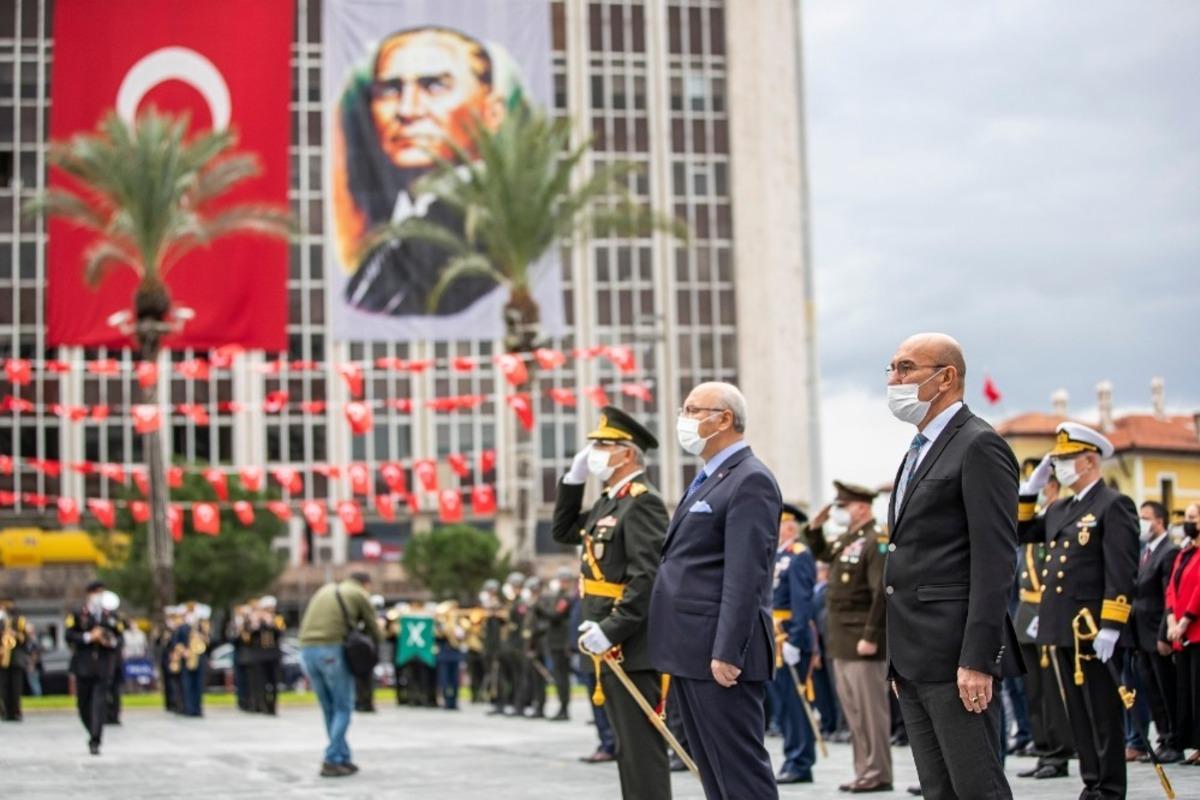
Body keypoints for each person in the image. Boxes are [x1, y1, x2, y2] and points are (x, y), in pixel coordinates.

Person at [883, 333, 1022, 800]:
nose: (894, 380)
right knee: (939, 790)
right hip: (914, 658)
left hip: (955, 657)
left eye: (906, 368)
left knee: (976, 787)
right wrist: (896, 664)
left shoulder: (979, 445)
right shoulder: (918, 449)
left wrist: (978, 659)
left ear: (946, 377)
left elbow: (995, 559)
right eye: (892, 369)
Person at [648, 381, 782, 800]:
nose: (683, 420)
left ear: (724, 419)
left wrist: (728, 650)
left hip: (719, 652)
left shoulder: (749, 480)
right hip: (691, 648)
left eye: (693, 410)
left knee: (741, 775)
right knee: (714, 772)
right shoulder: (709, 477)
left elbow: (746, 576)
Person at [334, 26, 523, 317]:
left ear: (492, 112)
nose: (408, 110)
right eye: (391, 90)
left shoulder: (486, 226)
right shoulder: (396, 219)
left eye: (434, 87)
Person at [552, 405, 671, 799]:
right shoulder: (609, 501)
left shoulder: (642, 502)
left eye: (604, 445)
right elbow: (564, 530)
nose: (595, 452)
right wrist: (573, 479)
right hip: (607, 639)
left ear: (628, 453)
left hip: (630, 643)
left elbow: (647, 577)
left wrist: (612, 628)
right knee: (625, 744)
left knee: (640, 746)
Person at [1018, 422, 1139, 799]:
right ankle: (1092, 783)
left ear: (1089, 461)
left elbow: (1121, 569)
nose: (1060, 467)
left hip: (1092, 628)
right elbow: (1022, 532)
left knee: (1102, 713)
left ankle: (1110, 787)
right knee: (1079, 713)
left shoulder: (1112, 504)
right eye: (1057, 460)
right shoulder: (1061, 508)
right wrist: (1029, 490)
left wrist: (1111, 626)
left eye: (1066, 459)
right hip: (1062, 627)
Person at [805, 480, 893, 793]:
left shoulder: (875, 539)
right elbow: (825, 554)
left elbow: (880, 593)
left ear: (861, 506)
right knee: (854, 712)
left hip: (862, 640)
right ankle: (863, 770)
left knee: (871, 712)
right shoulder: (850, 538)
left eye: (844, 506)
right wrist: (815, 527)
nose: (840, 511)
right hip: (842, 637)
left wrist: (871, 635)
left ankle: (878, 771)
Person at [1012, 469, 1076, 781]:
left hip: (1048, 609)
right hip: (1027, 611)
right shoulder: (1036, 521)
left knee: (1053, 689)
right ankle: (1043, 748)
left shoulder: (1061, 519)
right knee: (1034, 689)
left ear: (1052, 486)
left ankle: (1059, 752)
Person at [298, 571, 383, 778]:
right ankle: (332, 758)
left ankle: (342, 755)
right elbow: (375, 630)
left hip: (307, 651)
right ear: (366, 584)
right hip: (332, 650)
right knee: (343, 707)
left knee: (329, 708)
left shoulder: (324, 590)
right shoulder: (358, 593)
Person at [768, 503, 818, 785]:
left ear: (788, 527)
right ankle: (791, 756)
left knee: (796, 702)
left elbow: (803, 602)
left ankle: (800, 761)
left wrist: (796, 641)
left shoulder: (798, 556)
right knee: (783, 704)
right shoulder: (778, 556)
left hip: (789, 637)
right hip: (775, 637)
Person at [1132, 500, 1183, 762]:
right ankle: (1162, 738)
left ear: (1159, 521)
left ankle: (1174, 740)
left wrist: (1164, 633)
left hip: (1157, 630)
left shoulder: (1168, 551)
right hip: (1141, 633)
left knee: (1167, 689)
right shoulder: (1145, 552)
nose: (1141, 522)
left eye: (1146, 517)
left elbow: (1168, 597)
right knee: (1151, 689)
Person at [66, 581, 124, 755]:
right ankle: (93, 731)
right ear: (89, 594)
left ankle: (96, 739)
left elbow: (120, 639)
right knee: (82, 705)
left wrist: (108, 640)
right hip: (83, 665)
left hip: (104, 666)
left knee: (99, 703)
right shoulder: (78, 614)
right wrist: (89, 636)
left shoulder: (111, 616)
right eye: (96, 592)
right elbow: (68, 635)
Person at [1165, 503, 1200, 765]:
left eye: (1192, 518)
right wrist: (1171, 620)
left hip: (1195, 630)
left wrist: (1185, 620)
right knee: (1186, 690)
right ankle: (1195, 744)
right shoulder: (1185, 551)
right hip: (1179, 631)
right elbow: (1171, 587)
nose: (1188, 522)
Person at [542, 568, 576, 721]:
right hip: (555, 641)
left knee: (562, 677)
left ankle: (564, 708)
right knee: (558, 677)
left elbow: (555, 615)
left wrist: (539, 608)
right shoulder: (559, 596)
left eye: (564, 580)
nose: (562, 583)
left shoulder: (566, 598)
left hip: (561, 643)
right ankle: (562, 707)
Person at [0, 598, 28, 721]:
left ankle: (16, 711)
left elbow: (25, 639)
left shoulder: (20, 621)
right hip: (3, 658)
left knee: (16, 687)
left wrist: (14, 634)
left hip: (16, 658)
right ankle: (5, 711)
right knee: (3, 687)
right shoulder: (1, 621)